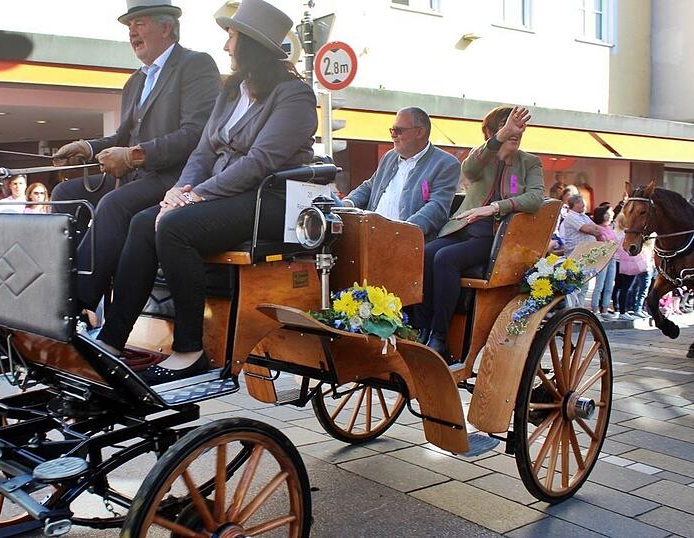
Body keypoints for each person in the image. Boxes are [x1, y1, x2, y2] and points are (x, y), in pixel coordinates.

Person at [93, 0, 316, 384]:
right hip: (226, 194)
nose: (226, 46)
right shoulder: (231, 92)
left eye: (231, 37)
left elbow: (260, 162)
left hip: (269, 200)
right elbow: (202, 151)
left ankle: (190, 350)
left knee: (174, 228)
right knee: (144, 222)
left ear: (251, 44)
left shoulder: (294, 96)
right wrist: (178, 190)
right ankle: (112, 339)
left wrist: (196, 196)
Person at [50, 0, 220, 314]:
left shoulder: (196, 65)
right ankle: (53, 279)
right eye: (129, 26)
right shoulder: (135, 81)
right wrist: (86, 147)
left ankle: (73, 303)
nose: (132, 32)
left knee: (113, 205)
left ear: (167, 27)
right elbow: (121, 139)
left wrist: (134, 155)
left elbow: (196, 132)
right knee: (64, 194)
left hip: (174, 180)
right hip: (133, 178)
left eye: (139, 23)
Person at [413, 106, 545, 360]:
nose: (515, 131)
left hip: (496, 238)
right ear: (492, 133)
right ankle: (422, 326)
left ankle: (439, 336)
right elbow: (469, 170)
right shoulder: (483, 157)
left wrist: (495, 207)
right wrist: (500, 141)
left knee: (445, 259)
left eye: (518, 127)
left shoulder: (529, 163)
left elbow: (535, 198)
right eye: (506, 127)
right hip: (463, 226)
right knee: (426, 253)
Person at [337, 107, 459, 240]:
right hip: (370, 232)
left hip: (407, 240)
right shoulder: (389, 156)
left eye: (398, 131)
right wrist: (348, 203)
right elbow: (370, 186)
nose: (393, 135)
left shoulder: (445, 163)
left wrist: (402, 231)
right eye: (392, 130)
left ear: (420, 132)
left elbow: (437, 207)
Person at [590, 206, 617, 320]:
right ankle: (595, 309)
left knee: (609, 285)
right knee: (599, 285)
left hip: (612, 257)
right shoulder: (598, 228)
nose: (611, 217)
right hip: (602, 257)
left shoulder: (610, 228)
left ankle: (605, 309)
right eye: (609, 215)